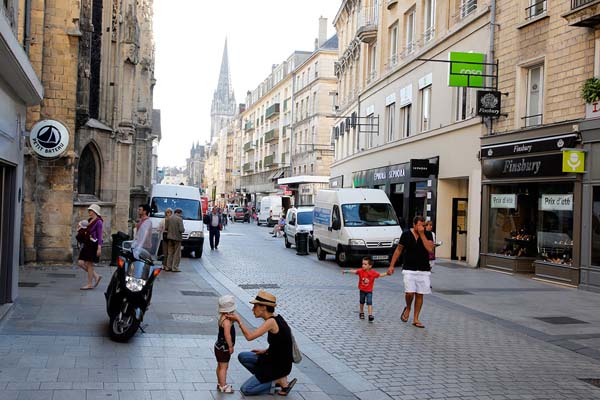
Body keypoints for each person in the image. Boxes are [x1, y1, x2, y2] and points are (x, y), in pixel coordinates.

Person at [227, 291, 297, 396]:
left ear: (263, 307)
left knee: (246, 389)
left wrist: (239, 321)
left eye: (255, 306)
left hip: (278, 366)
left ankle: (276, 381)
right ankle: (269, 378)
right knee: (243, 356)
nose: (252, 309)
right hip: (274, 359)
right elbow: (281, 344)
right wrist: (265, 351)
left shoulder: (271, 322)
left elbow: (249, 337)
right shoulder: (277, 318)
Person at [388, 216, 435, 329]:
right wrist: (391, 265)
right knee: (409, 292)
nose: (421, 227)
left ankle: (416, 318)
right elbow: (399, 249)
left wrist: (422, 234)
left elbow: (430, 249)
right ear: (414, 225)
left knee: (420, 294)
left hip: (423, 268)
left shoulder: (428, 234)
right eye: (419, 225)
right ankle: (408, 307)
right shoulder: (406, 234)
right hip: (409, 267)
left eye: (423, 225)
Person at [342, 256, 388, 322]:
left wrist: (387, 273)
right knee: (362, 302)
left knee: (369, 302)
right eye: (362, 264)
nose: (363, 265)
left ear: (370, 266)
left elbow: (380, 275)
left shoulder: (373, 273)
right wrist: (346, 271)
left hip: (369, 291)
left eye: (365, 264)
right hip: (362, 290)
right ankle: (361, 312)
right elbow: (354, 271)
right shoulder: (360, 271)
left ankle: (370, 315)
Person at [78, 204, 103, 290]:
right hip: (87, 244)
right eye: (89, 210)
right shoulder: (90, 220)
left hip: (93, 245)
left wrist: (99, 248)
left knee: (89, 264)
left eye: (91, 211)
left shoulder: (99, 222)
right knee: (81, 263)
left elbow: (100, 236)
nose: (89, 212)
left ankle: (89, 284)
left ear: (95, 211)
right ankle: (96, 276)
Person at [214, 295, 236, 393]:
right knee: (224, 367)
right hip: (224, 348)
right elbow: (227, 335)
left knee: (219, 366)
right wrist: (230, 346)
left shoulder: (222, 318)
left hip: (218, 346)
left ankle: (219, 383)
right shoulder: (227, 322)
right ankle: (223, 386)